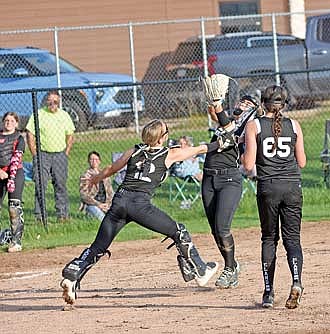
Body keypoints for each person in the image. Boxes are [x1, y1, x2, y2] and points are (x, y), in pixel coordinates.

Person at [59, 119, 233, 305]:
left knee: (98, 246)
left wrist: (96, 179)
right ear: (160, 139)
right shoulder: (169, 153)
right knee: (178, 231)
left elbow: (111, 168)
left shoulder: (134, 151)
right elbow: (200, 149)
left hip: (119, 202)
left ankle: (72, 275)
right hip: (139, 204)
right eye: (166, 132)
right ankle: (200, 270)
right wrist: (221, 143)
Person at [243, 85, 306, 309]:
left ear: (263, 104)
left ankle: (269, 292)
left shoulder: (255, 125)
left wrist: (244, 150)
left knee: (269, 238)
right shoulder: (294, 125)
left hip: (268, 188)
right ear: (284, 105)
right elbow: (302, 162)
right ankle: (296, 282)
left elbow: (248, 165)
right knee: (293, 239)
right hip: (292, 187)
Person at [202, 94, 260, 289]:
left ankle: (229, 268)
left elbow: (246, 160)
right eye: (241, 102)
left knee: (222, 227)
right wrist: (212, 99)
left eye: (247, 104)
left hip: (229, 179)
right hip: (208, 177)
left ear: (253, 110)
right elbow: (214, 113)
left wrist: (218, 106)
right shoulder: (226, 121)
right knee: (214, 230)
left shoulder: (249, 127)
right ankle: (233, 265)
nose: (242, 105)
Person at [26, 91, 75, 223]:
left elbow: (70, 135)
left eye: (55, 101)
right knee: (41, 185)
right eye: (50, 101)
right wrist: (35, 154)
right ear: (46, 101)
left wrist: (66, 152)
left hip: (60, 154)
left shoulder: (64, 115)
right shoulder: (39, 114)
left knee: (60, 184)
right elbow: (30, 134)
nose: (52, 104)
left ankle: (63, 215)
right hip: (43, 154)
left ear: (59, 103)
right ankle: (40, 216)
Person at [0, 112, 25, 253]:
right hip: (0, 173)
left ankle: (16, 241)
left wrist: (10, 178)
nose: (8, 123)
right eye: (6, 120)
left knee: (13, 207)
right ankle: (3, 236)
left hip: (15, 174)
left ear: (16, 123)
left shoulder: (19, 138)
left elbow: (16, 158)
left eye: (11, 120)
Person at [79, 151, 114, 221]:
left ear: (99, 161)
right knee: (104, 220)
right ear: (88, 161)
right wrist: (99, 205)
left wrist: (108, 204)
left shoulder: (105, 175)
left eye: (96, 159)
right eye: (91, 159)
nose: (94, 161)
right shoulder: (85, 176)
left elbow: (110, 193)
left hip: (106, 204)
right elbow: (84, 196)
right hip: (92, 205)